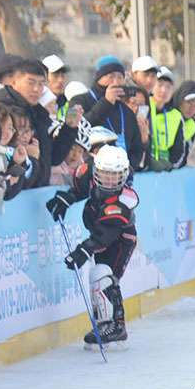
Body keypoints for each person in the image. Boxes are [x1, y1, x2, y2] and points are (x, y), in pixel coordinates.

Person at [47, 144, 137, 350]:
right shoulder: (88, 174)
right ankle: (103, 323)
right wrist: (66, 199)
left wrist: (83, 250)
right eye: (104, 174)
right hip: (99, 232)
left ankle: (116, 327)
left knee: (105, 276)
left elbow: (106, 233)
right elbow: (79, 190)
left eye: (114, 176)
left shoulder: (124, 201)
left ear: (123, 176)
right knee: (96, 276)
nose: (108, 180)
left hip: (121, 238)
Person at [0, 58, 80, 182]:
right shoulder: (0, 109)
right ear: (13, 82)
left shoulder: (38, 113)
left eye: (41, 84)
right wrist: (23, 155)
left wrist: (69, 127)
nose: (36, 89)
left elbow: (54, 157)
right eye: (31, 83)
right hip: (11, 191)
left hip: (37, 193)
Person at [144, 66, 185, 171]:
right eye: (160, 85)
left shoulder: (176, 116)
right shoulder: (143, 108)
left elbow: (179, 150)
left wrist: (170, 165)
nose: (164, 90)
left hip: (165, 174)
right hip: (144, 171)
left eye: (168, 87)